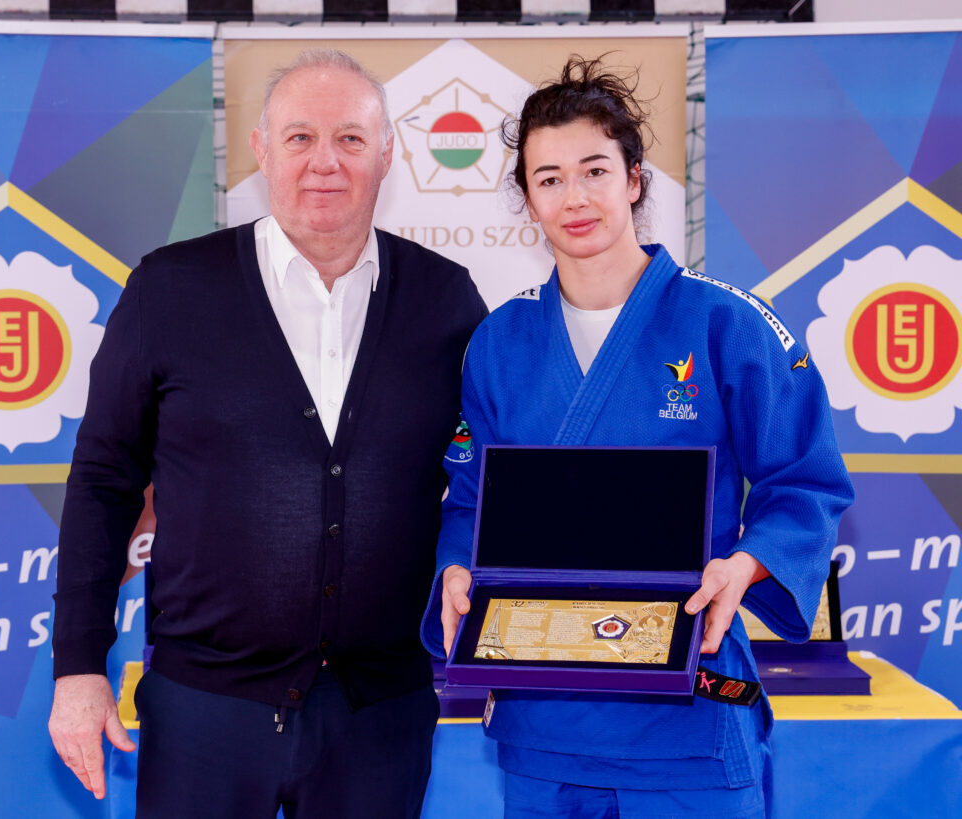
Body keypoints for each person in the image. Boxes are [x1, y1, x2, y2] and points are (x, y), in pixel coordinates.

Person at [48, 50, 487, 819]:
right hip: (203, 712)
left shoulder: (446, 299)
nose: (325, 161)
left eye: (351, 139)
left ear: (387, 154)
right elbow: (102, 480)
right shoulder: (170, 288)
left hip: (380, 717)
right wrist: (78, 665)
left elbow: (487, 477)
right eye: (300, 137)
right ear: (260, 150)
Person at [425, 56, 854, 818]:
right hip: (542, 717)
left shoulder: (726, 324)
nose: (574, 197)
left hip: (688, 709)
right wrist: (458, 569)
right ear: (527, 199)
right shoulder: (499, 341)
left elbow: (804, 481)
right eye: (549, 178)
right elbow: (470, 501)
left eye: (595, 170)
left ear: (633, 179)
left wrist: (747, 564)